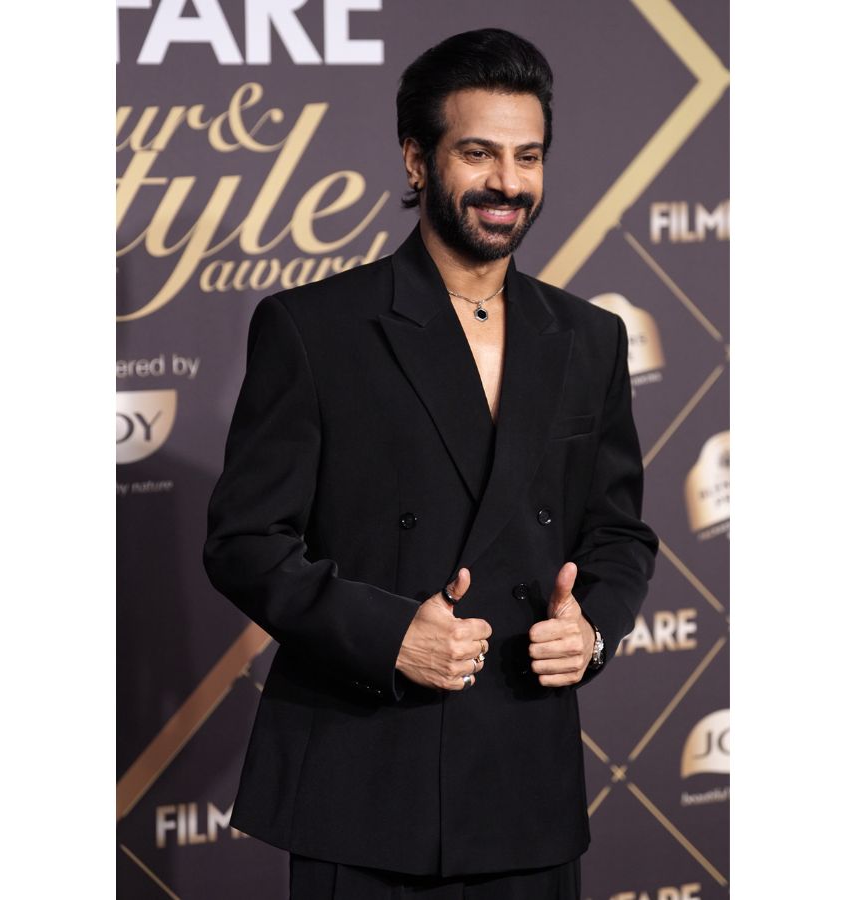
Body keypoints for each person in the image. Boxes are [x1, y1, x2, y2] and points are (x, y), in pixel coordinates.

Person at [203, 28, 659, 899]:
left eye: (528, 156)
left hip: (525, 780)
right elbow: (245, 543)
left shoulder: (589, 336)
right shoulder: (315, 328)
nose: (508, 183)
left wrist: (593, 631)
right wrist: (389, 636)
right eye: (478, 153)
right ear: (417, 159)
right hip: (366, 780)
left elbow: (618, 531)